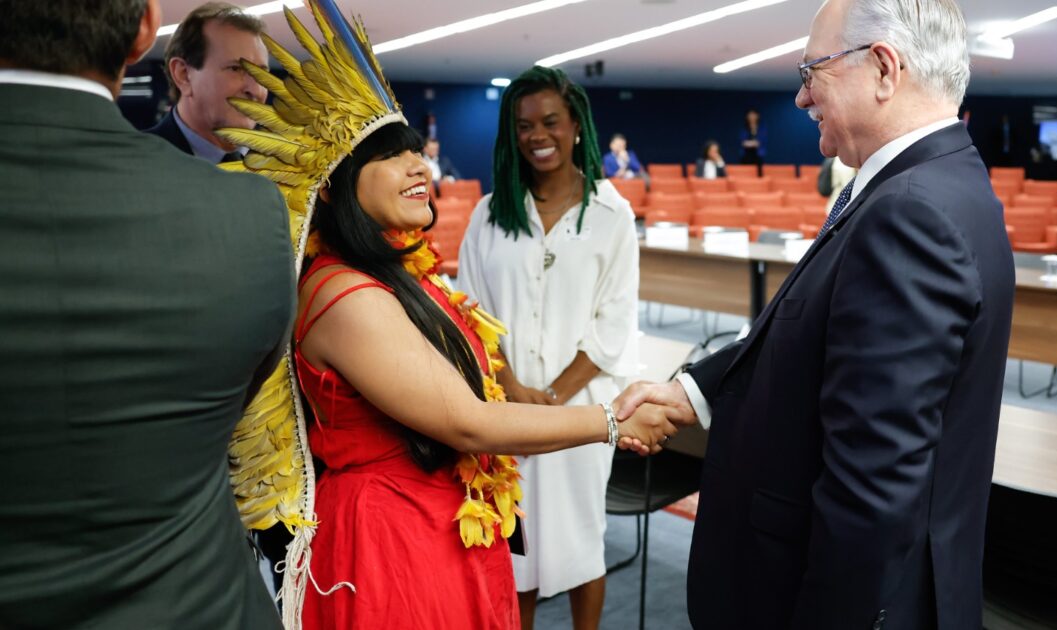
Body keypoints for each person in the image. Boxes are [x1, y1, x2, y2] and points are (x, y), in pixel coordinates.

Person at [216, 6, 675, 629]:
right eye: (392, 158)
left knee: (575, 548)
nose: (419, 168)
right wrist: (612, 421)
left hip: (437, 516)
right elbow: (467, 421)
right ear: (331, 184)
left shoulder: (392, 274)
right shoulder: (343, 295)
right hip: (388, 542)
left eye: (415, 153)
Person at [615, 0, 1015, 628]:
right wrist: (697, 390)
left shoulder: (909, 212)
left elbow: (872, 490)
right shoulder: (937, 183)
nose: (801, 98)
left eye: (813, 71)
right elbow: (819, 332)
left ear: (884, 69)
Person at [0, 1, 294, 628]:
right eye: (238, 68)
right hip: (195, 600)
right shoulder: (250, 215)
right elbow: (236, 386)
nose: (255, 87)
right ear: (145, 32)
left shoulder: (275, 191)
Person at [459, 66, 639, 630]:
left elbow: (613, 322)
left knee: (583, 538)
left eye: (551, 121)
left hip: (582, 410)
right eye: (524, 125)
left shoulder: (611, 214)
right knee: (519, 548)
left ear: (577, 126)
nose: (538, 135)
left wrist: (555, 397)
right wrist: (513, 389)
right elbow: (471, 311)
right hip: (504, 412)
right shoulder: (489, 216)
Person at [144, 2, 268, 163]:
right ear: (184, 75)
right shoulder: (135, 164)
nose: (256, 90)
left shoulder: (280, 168)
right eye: (236, 69)